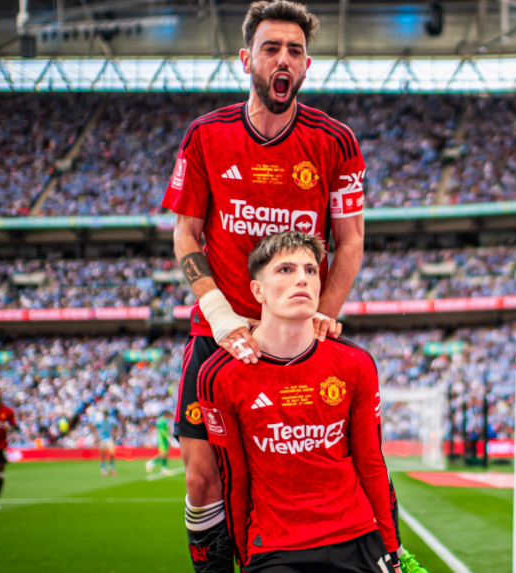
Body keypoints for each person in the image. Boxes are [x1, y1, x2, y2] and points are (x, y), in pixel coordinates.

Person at [160, 1, 407, 570]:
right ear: (247, 58)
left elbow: (349, 242)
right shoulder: (206, 135)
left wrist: (323, 313)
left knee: (316, 466)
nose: (283, 59)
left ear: (306, 66)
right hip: (218, 335)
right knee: (203, 479)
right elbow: (186, 233)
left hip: (297, 334)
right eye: (271, 48)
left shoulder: (336, 141)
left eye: (295, 50)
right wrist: (220, 313)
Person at [199, 231, 401, 572]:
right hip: (275, 548)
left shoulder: (355, 363)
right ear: (257, 290)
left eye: (311, 270)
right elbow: (233, 478)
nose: (302, 280)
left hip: (357, 537)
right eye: (286, 270)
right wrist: (245, 558)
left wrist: (391, 549)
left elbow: (371, 462)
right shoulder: (220, 375)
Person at [92, 410, 118, 476]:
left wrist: (115, 434)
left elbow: (116, 426)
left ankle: (111, 467)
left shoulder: (110, 420)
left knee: (112, 453)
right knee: (102, 455)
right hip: (101, 439)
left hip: (108, 438)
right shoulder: (99, 421)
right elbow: (94, 427)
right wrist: (96, 437)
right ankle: (103, 469)